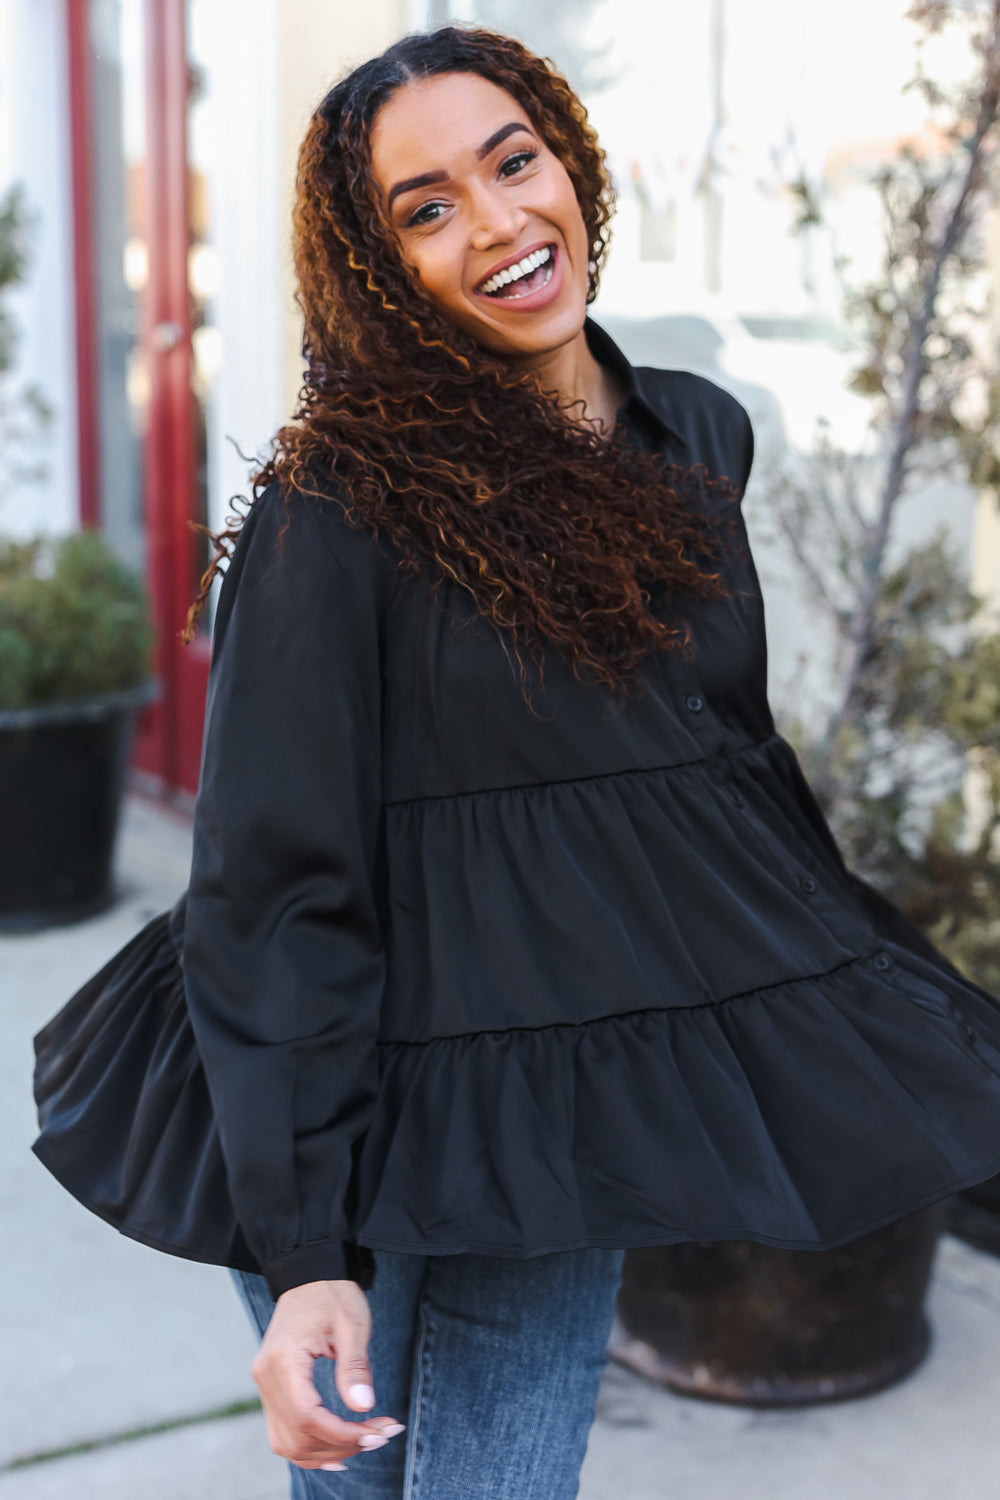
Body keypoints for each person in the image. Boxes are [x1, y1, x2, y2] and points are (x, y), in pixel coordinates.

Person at [173, 23, 1000, 1500]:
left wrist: (866, 1012)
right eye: (427, 208)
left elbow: (717, 773)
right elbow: (274, 878)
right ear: (376, 266)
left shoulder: (696, 436)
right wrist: (304, 1254)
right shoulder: (336, 508)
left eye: (514, 161)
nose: (497, 222)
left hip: (553, 1097)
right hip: (335, 1091)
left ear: (571, 163)